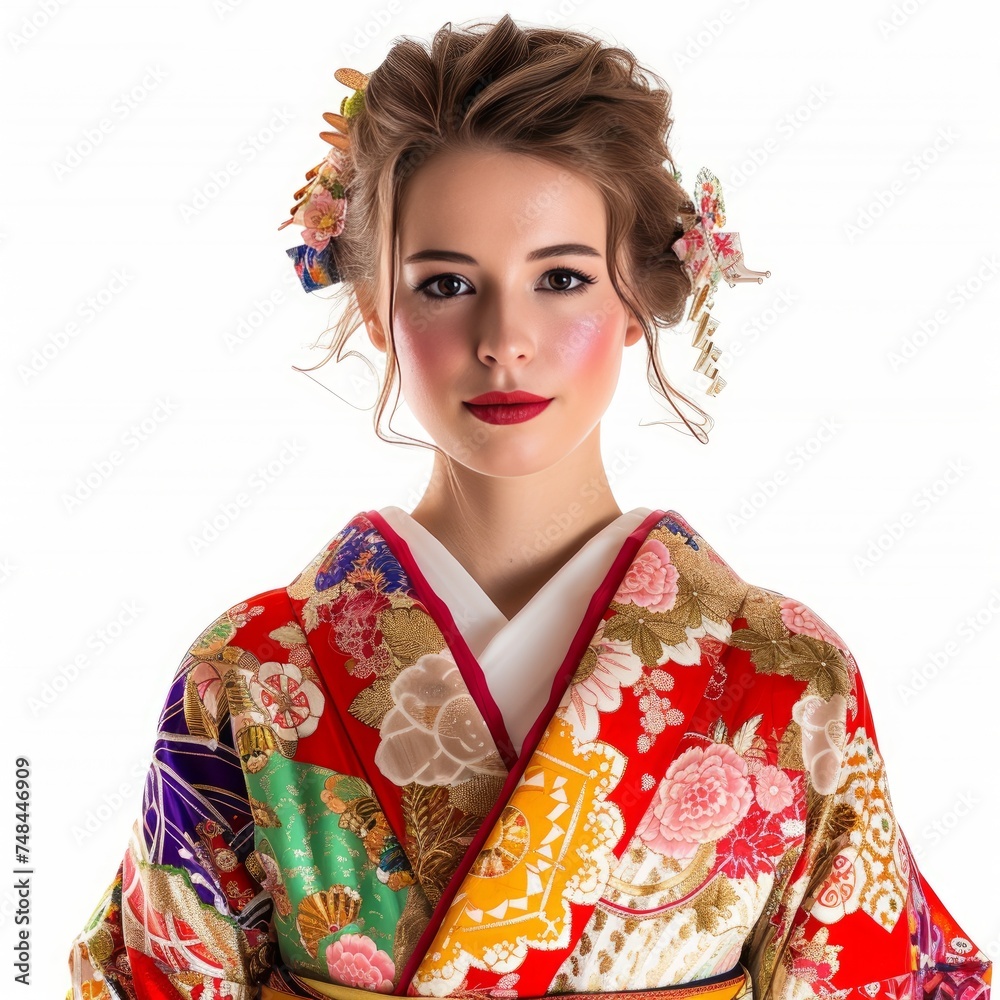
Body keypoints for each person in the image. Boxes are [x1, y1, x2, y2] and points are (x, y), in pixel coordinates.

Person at [67, 14, 991, 1000]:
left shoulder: (784, 678)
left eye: (560, 278)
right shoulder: (248, 677)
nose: (505, 337)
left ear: (636, 298)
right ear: (376, 308)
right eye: (446, 283)